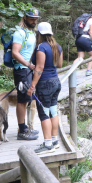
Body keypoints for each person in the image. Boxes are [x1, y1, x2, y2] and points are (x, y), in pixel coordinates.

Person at [27, 22, 63, 154]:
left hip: (45, 84)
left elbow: (40, 68)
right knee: (53, 111)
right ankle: (54, 140)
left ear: (39, 34)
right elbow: (59, 64)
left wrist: (32, 86)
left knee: (43, 114)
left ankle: (48, 144)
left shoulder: (41, 47)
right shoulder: (57, 47)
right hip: (56, 82)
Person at [11, 9, 40, 140]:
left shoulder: (31, 33)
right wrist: (28, 65)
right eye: (31, 18)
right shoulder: (19, 33)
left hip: (27, 70)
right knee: (22, 100)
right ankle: (22, 131)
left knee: (27, 99)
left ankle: (25, 128)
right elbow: (15, 53)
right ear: (25, 18)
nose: (34, 21)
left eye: (35, 19)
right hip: (21, 70)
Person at [74, 9, 92, 76]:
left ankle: (72, 72)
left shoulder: (86, 20)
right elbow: (90, 32)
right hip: (85, 38)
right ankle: (88, 71)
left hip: (78, 39)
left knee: (80, 57)